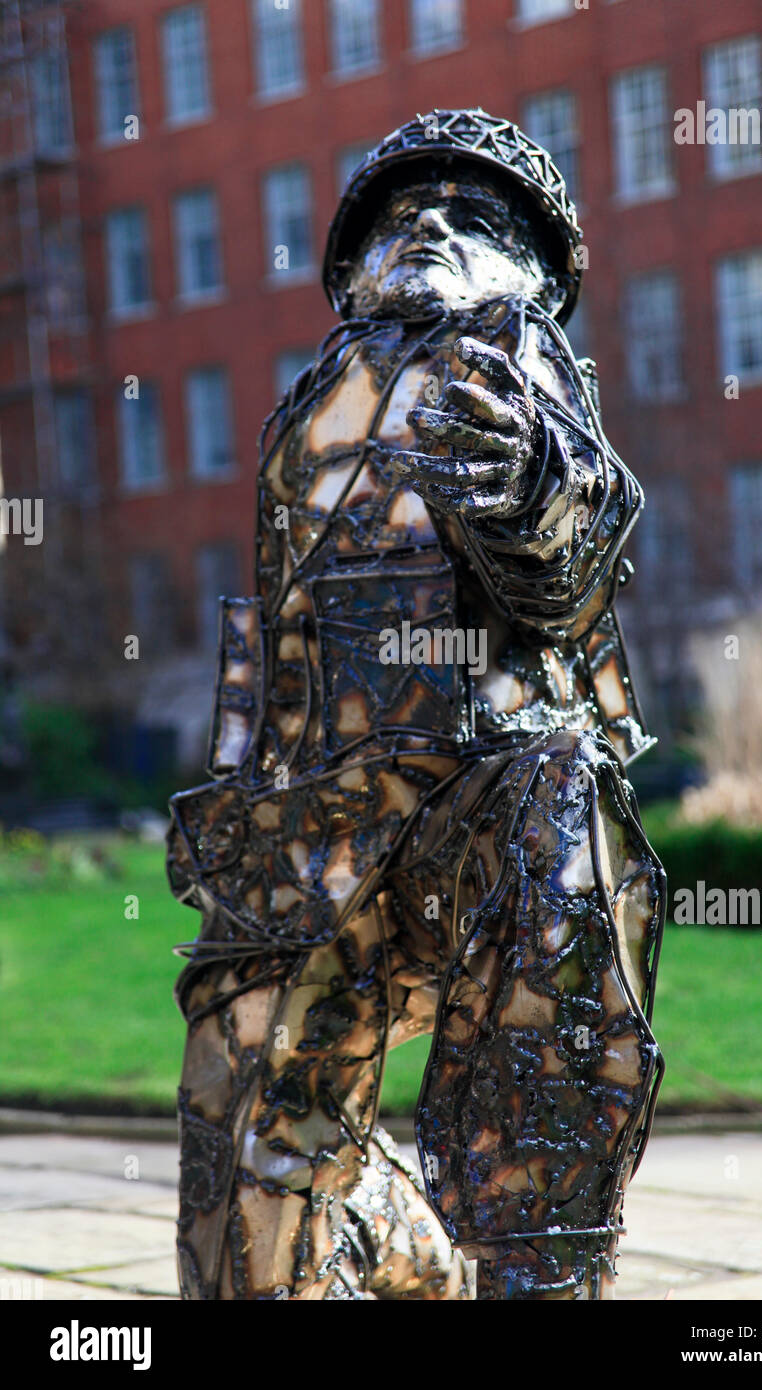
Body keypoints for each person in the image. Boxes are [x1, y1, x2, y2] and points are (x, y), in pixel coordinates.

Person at [167, 108, 665, 1301]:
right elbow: (266, 650)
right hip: (305, 837)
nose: (430, 225)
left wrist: (527, 486)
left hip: (474, 808)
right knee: (246, 1165)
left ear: (537, 273)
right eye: (400, 215)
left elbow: (574, 533)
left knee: (560, 824)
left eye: (472, 213)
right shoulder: (309, 417)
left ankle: (537, 1262)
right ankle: (387, 1242)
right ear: (348, 278)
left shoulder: (509, 353)